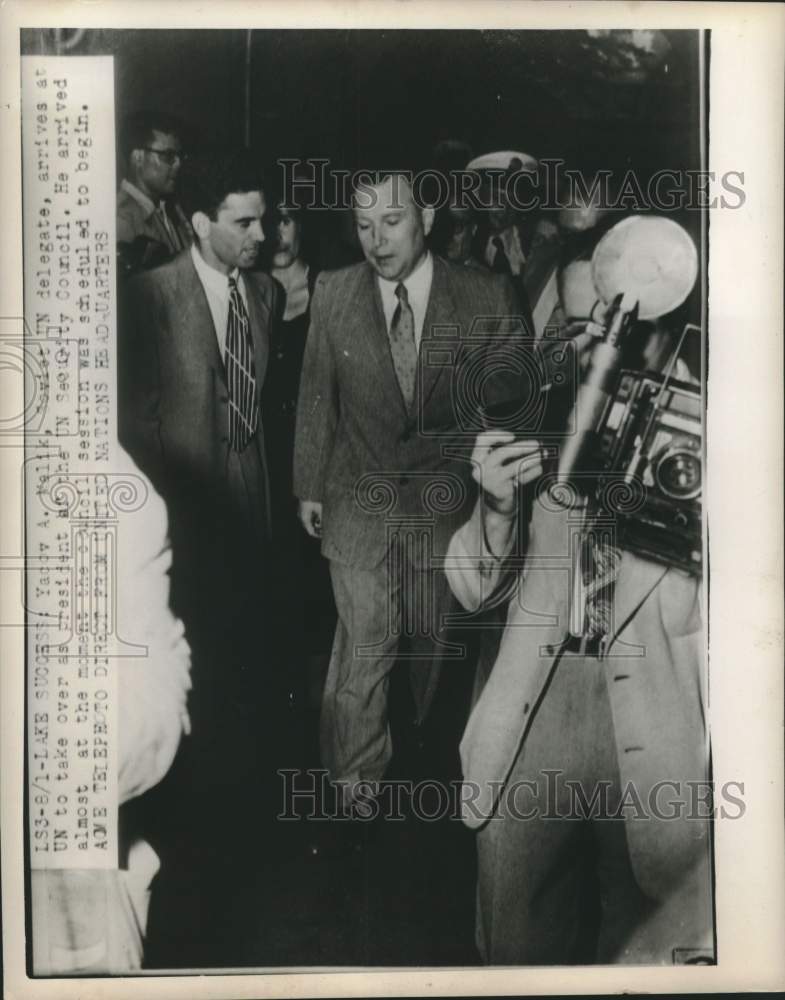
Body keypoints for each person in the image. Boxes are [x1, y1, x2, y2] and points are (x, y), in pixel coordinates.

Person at [444, 334, 712, 963]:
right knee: (516, 948)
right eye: (582, 326)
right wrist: (496, 510)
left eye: (618, 327)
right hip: (536, 702)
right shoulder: (537, 417)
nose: (599, 344)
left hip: (656, 712)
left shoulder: (712, 421)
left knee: (644, 952)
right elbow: (472, 588)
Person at [293, 170, 532, 813]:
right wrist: (308, 485)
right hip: (357, 498)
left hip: (444, 506)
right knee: (365, 647)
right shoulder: (335, 290)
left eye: (392, 222)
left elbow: (515, 398)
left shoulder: (484, 294)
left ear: (425, 217)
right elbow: (316, 391)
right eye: (363, 226)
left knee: (433, 652)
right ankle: (356, 786)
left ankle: (432, 767)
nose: (377, 241)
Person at [119, 150, 283, 928]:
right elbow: (137, 427)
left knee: (240, 676)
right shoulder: (148, 297)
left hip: (250, 522)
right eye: (244, 222)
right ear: (199, 222)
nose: (262, 235)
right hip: (178, 531)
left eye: (264, 219)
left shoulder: (266, 294)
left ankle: (233, 828)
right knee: (185, 685)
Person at [116, 111, 191, 276]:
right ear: (138, 157)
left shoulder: (172, 210)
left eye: (179, 156)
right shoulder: (121, 219)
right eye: (168, 156)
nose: (178, 164)